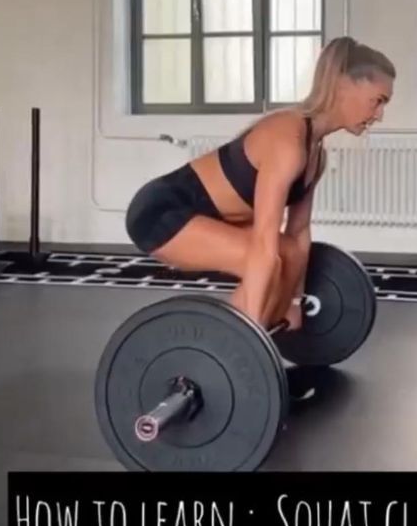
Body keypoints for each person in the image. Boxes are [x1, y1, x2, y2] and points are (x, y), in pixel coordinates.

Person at [126, 36, 395, 332]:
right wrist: (253, 333)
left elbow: (299, 233)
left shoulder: (315, 154)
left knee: (288, 254)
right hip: (163, 213)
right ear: (344, 86)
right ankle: (223, 346)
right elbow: (264, 245)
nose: (379, 115)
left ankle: (233, 345)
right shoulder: (287, 140)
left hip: (209, 217)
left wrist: (293, 304)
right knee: (269, 262)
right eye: (378, 101)